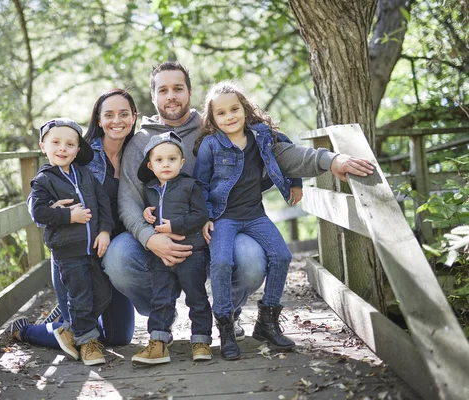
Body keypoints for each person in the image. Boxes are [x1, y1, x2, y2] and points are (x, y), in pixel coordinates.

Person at [103, 61, 374, 343]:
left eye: (178, 88)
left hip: (218, 228)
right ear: (154, 95)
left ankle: (227, 315)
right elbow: (128, 202)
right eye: (163, 90)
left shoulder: (215, 125)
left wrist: (331, 160)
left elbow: (280, 152)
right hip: (162, 235)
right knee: (118, 257)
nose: (171, 95)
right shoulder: (140, 142)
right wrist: (149, 238)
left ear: (190, 92)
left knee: (252, 258)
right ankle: (163, 310)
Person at [10, 89, 138, 350]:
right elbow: (39, 199)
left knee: (118, 337)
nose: (117, 120)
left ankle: (69, 319)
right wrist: (56, 210)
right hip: (76, 252)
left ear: (134, 118)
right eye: (109, 114)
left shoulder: (138, 153)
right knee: (85, 331)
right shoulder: (82, 154)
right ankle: (29, 331)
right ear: (98, 120)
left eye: (124, 114)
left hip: (113, 252)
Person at [193, 81, 306, 359]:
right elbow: (200, 184)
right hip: (222, 218)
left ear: (245, 109)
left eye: (235, 109)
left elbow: (289, 150)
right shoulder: (210, 145)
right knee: (221, 263)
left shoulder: (262, 135)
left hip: (255, 215)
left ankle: (266, 322)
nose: (229, 117)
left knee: (281, 256)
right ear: (212, 118)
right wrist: (205, 217)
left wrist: (296, 182)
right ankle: (226, 328)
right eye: (221, 113)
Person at [27, 117, 114, 366]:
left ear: (77, 150)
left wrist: (105, 230)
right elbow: (38, 213)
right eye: (55, 142)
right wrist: (68, 215)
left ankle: (71, 329)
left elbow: (102, 202)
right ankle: (87, 342)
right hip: (68, 251)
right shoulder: (43, 180)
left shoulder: (85, 175)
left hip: (93, 249)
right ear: (43, 146)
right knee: (80, 297)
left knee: (103, 293)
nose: (62, 148)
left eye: (69, 144)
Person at [131, 132, 212, 365]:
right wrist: (147, 213)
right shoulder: (150, 189)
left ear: (182, 162)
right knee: (161, 298)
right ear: (150, 164)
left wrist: (174, 225)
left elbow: (200, 215)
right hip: (161, 256)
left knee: (196, 297)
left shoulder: (189, 185)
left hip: (190, 252)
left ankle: (201, 340)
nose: (165, 164)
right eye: (159, 160)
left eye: (172, 159)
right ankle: (158, 341)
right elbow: (151, 212)